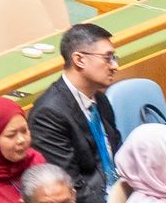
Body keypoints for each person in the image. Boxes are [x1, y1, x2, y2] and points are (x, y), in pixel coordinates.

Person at [27, 23, 123, 203]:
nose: (115, 66)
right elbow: (69, 187)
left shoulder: (100, 99)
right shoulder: (48, 114)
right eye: (108, 58)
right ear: (79, 59)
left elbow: (118, 152)